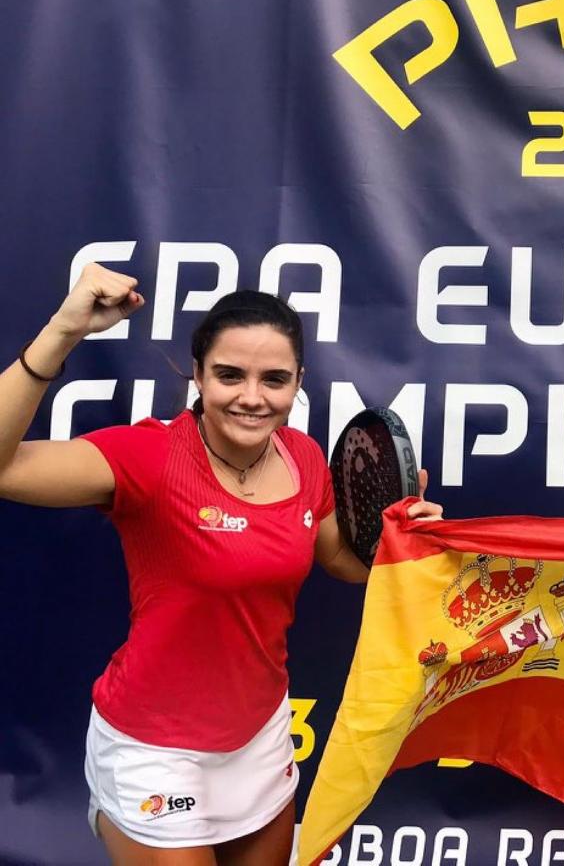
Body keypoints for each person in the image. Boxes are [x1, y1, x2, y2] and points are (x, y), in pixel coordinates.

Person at [0, 263, 442, 864]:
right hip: (154, 748)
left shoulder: (305, 457)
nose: (252, 397)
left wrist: (399, 541)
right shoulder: (151, 456)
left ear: (298, 381)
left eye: (274, 379)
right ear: (199, 375)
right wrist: (63, 329)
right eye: (230, 375)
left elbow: (343, 560)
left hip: (260, 736)